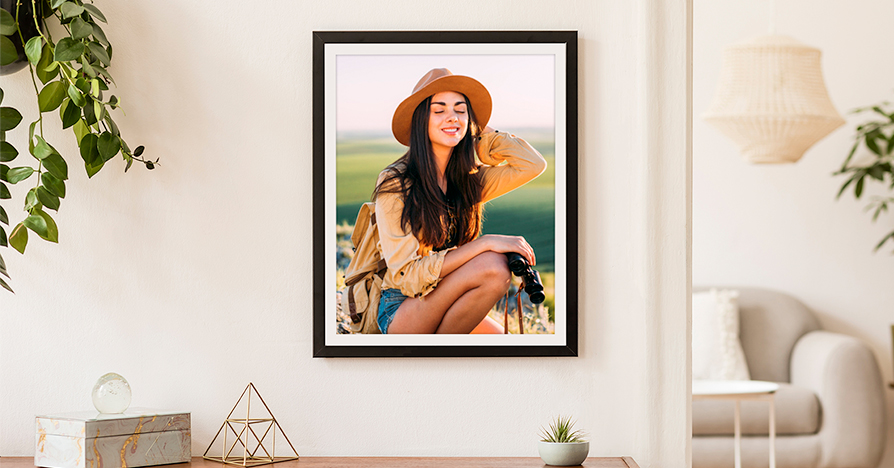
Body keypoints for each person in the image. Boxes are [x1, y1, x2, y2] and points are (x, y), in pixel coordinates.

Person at [373, 68, 546, 334]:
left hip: (443, 293)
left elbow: (533, 164)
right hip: (401, 307)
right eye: (439, 110)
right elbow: (405, 276)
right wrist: (485, 244)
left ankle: (439, 360)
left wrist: (477, 133)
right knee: (493, 267)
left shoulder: (469, 181)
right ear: (420, 120)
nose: (451, 117)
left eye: (461, 110)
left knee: (505, 344)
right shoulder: (397, 182)